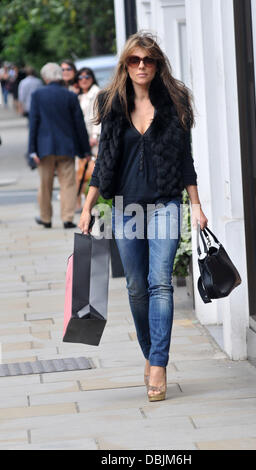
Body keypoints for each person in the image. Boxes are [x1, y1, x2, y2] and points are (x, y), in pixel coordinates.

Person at [79, 31, 208, 402]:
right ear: (125, 65)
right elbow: (103, 163)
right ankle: (151, 355)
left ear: (157, 65)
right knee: (136, 287)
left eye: (148, 61)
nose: (141, 66)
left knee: (160, 283)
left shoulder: (174, 103)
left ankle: (159, 366)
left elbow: (186, 160)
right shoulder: (113, 104)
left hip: (166, 203)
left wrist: (195, 204)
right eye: (134, 60)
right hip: (127, 207)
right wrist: (88, 207)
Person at [29, 62, 91, 229]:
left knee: (45, 184)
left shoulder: (37, 95)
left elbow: (33, 124)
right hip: (66, 146)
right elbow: (79, 125)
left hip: (44, 148)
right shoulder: (69, 96)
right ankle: (67, 218)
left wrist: (32, 150)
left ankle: (46, 218)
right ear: (59, 76)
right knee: (68, 184)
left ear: (45, 77)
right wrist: (85, 149)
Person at [75, 67, 101, 211]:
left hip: (93, 138)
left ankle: (92, 202)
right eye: (80, 77)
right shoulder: (79, 95)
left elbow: (98, 116)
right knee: (82, 172)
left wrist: (95, 136)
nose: (84, 80)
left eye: (87, 77)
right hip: (81, 139)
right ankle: (83, 202)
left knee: (92, 171)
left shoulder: (96, 93)